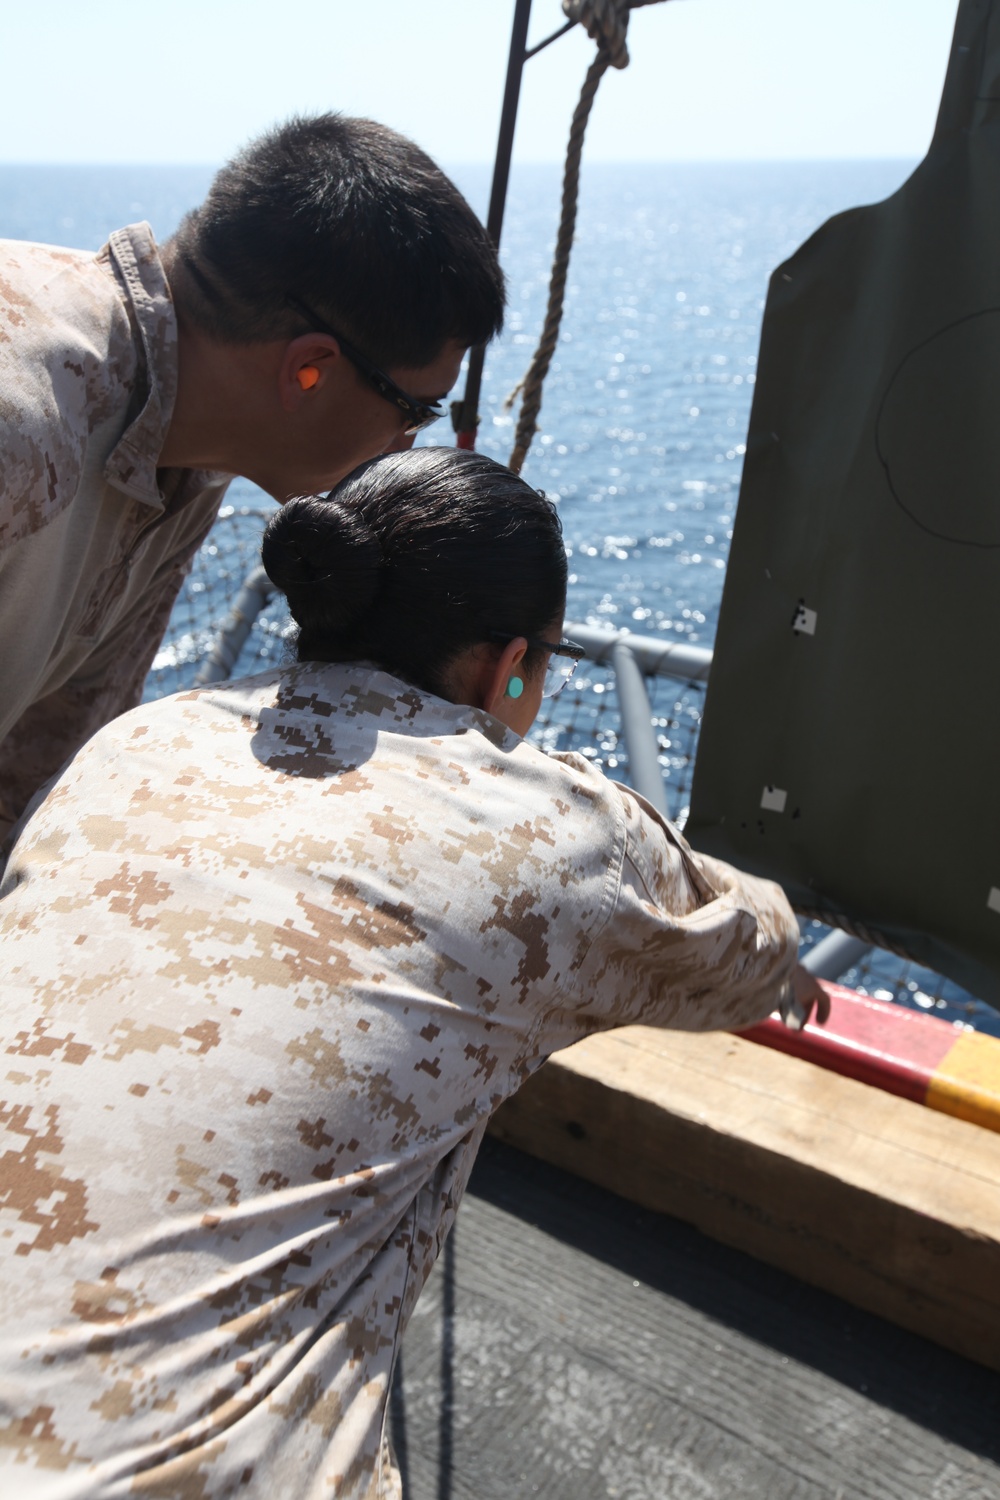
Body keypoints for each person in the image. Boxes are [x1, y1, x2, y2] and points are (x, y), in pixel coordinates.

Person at [0, 447, 822, 1499]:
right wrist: (785, 956)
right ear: (508, 669)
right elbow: (733, 950)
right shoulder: (548, 829)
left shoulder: (140, 742)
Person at [0, 113, 505, 846]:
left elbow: (34, 779)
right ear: (311, 369)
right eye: (415, 409)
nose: (407, 446)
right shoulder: (24, 421)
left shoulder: (190, 451)